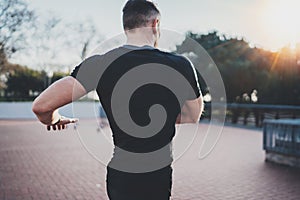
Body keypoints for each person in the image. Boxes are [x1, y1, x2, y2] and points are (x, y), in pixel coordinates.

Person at [32, 0, 204, 199]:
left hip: (121, 175)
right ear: (156, 24)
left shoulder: (100, 64)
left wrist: (53, 119)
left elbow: (41, 106)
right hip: (159, 174)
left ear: (126, 26)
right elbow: (193, 115)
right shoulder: (180, 65)